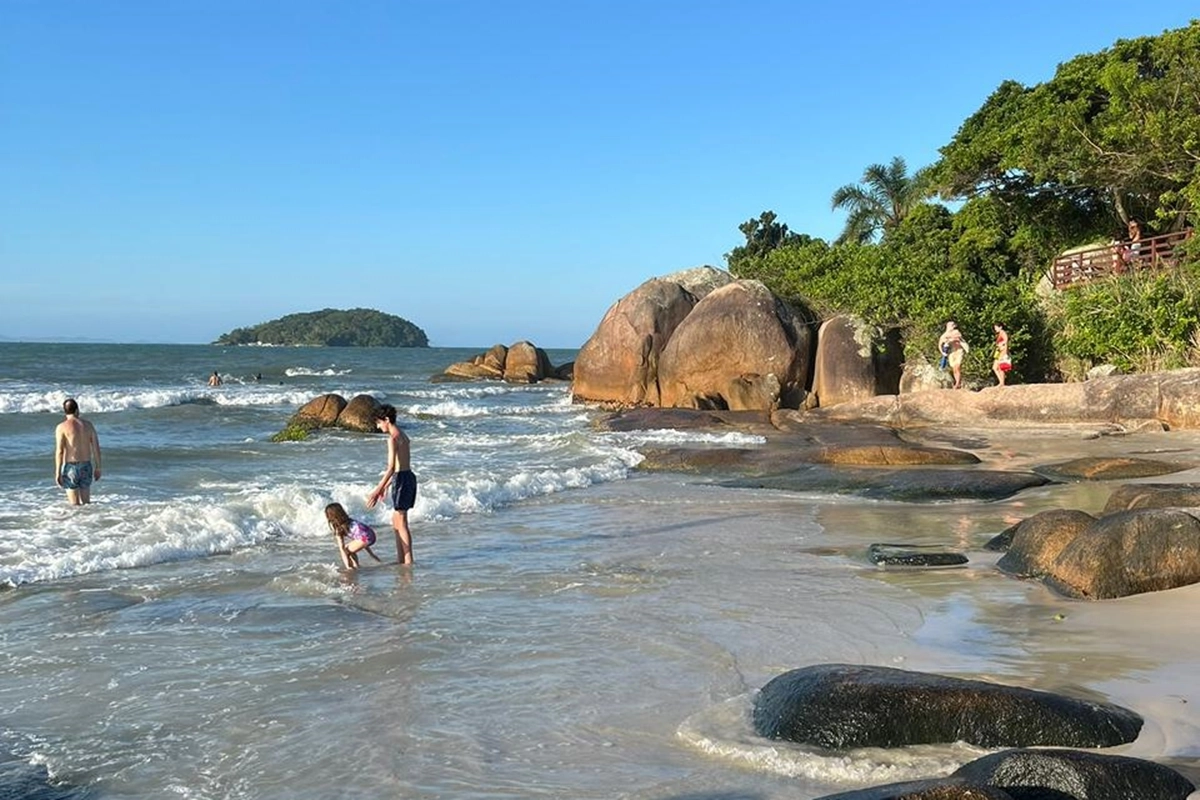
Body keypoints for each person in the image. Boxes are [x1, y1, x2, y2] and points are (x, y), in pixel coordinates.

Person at [366, 403, 416, 565]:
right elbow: (401, 465)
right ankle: (401, 559)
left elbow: (391, 468)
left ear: (387, 420)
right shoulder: (403, 435)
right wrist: (387, 486)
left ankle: (408, 561)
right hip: (408, 477)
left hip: (401, 479)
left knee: (401, 522)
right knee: (396, 521)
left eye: (379, 422)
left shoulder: (392, 439)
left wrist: (377, 490)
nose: (378, 426)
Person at [54, 398, 102, 505]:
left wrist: (58, 472)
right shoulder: (88, 425)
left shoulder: (61, 427)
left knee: (74, 506)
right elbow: (96, 448)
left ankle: (78, 517)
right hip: (86, 465)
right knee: (86, 503)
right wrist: (98, 467)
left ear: (65, 411)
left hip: (71, 467)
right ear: (77, 410)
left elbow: (60, 451)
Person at [325, 502, 382, 569]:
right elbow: (360, 536)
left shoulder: (340, 529)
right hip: (371, 534)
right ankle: (355, 566)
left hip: (366, 538)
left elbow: (342, 548)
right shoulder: (350, 522)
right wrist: (371, 554)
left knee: (346, 550)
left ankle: (354, 567)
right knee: (349, 548)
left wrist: (347, 566)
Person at [936, 321, 969, 389]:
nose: (953, 326)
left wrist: (949, 339)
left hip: (959, 351)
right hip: (951, 352)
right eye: (951, 325)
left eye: (953, 325)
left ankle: (957, 383)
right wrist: (943, 353)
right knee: (954, 369)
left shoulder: (956, 332)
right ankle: (958, 383)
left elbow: (958, 337)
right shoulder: (944, 335)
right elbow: (940, 344)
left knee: (957, 367)